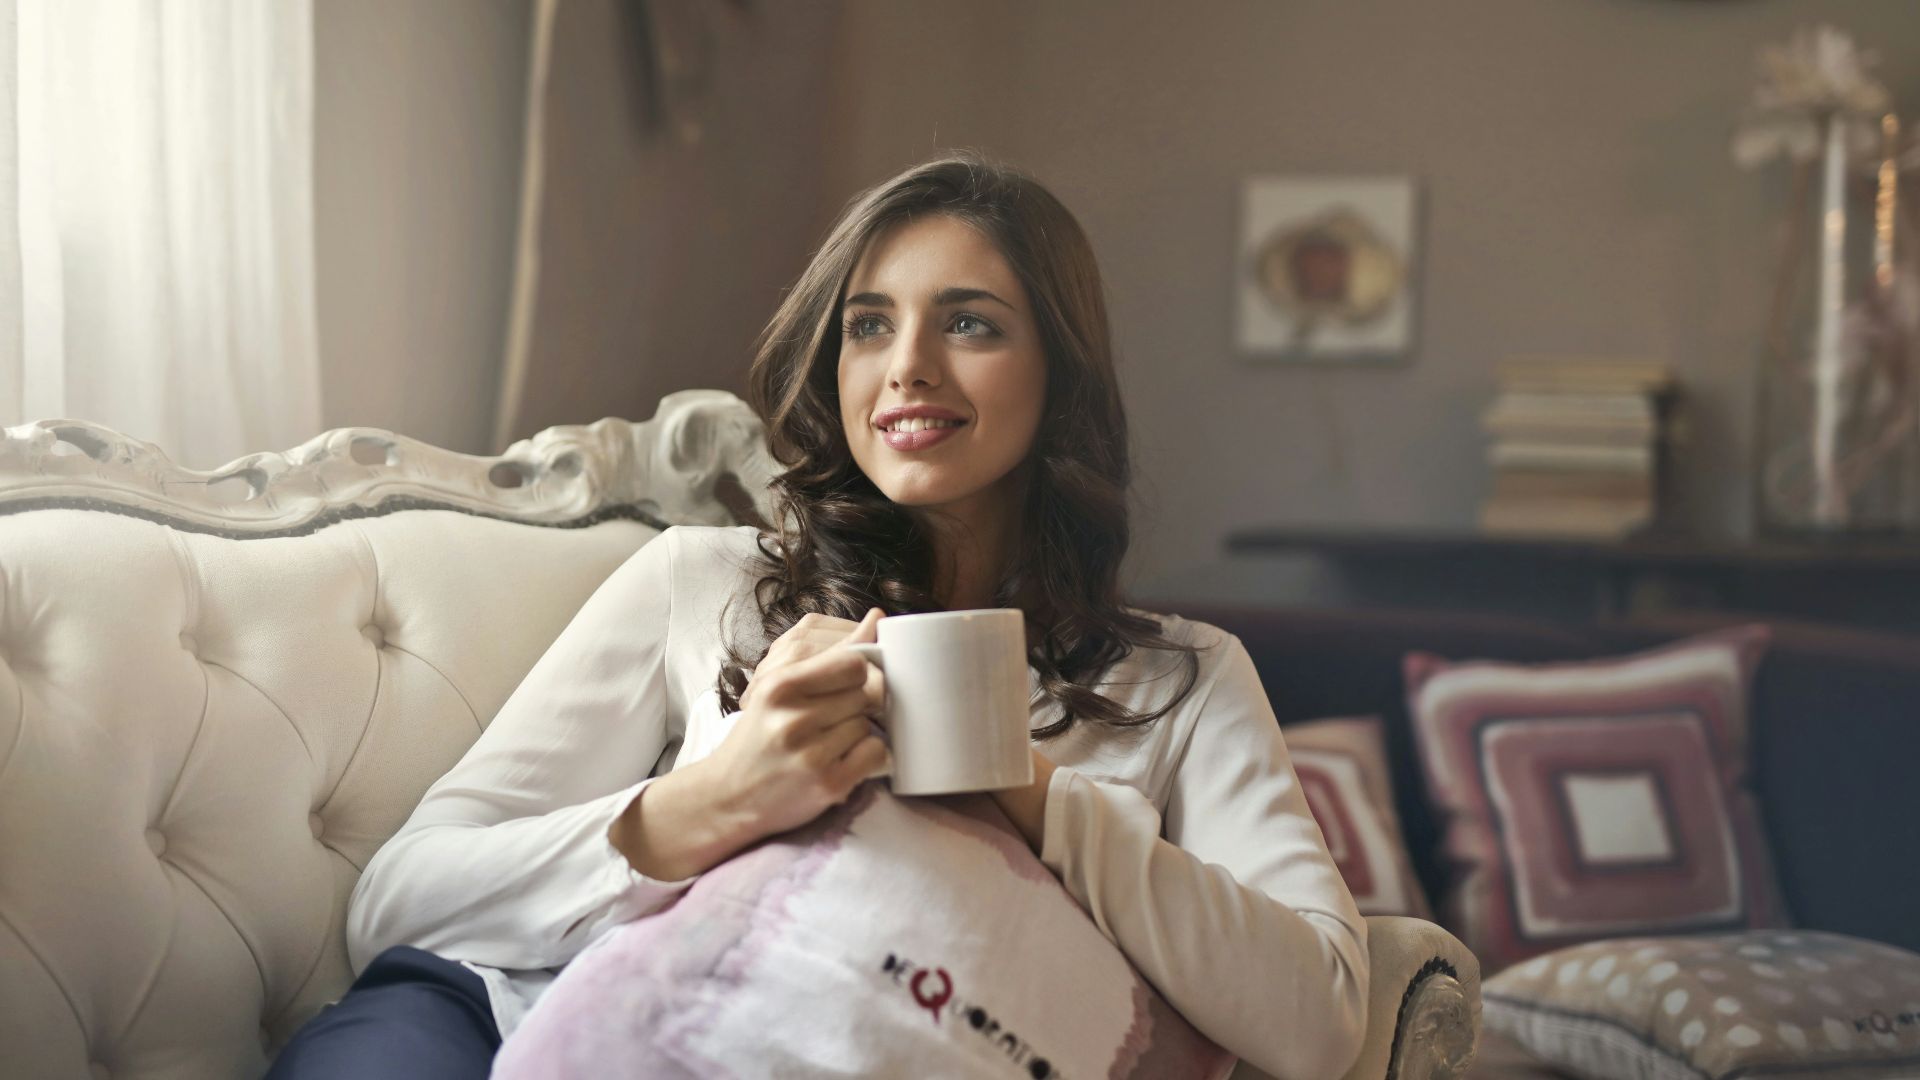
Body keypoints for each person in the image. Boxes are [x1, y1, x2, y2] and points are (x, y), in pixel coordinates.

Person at [266, 152, 1368, 1080]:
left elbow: (1321, 1018)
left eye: (970, 324)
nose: (907, 370)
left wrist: (1038, 800)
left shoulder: (1181, 679)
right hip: (518, 1023)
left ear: (1061, 374)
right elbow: (400, 899)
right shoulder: (702, 582)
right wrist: (710, 802)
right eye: (869, 326)